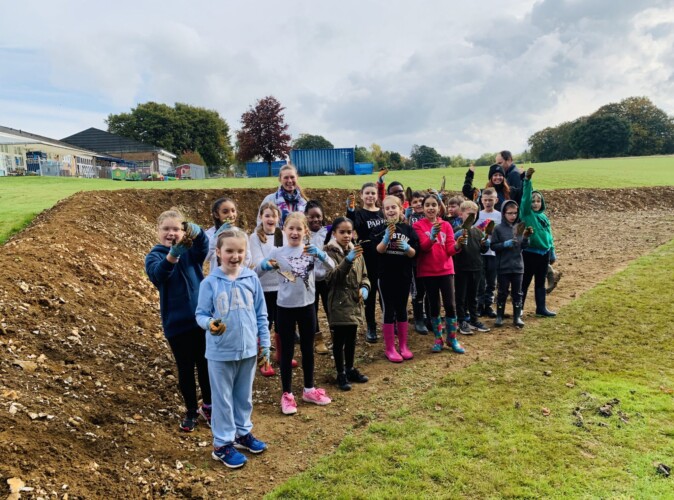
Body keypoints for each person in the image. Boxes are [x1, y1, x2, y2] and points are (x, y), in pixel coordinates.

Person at [195, 228, 270, 469]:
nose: (235, 256)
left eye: (240, 251)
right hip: (220, 352)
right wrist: (209, 324)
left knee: (243, 397)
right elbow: (200, 314)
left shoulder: (251, 279)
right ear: (218, 252)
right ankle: (222, 444)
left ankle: (242, 433)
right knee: (223, 400)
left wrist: (265, 344)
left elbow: (261, 314)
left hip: (248, 350)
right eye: (229, 251)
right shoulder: (209, 283)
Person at [257, 212, 335, 415]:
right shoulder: (277, 252)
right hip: (284, 308)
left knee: (308, 349)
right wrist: (263, 265)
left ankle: (309, 389)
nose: (294, 232)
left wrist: (321, 255)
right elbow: (257, 272)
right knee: (287, 352)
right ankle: (287, 394)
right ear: (284, 230)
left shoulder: (310, 250)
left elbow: (332, 267)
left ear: (305, 231)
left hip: (307, 307)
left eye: (299, 229)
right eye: (291, 228)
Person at [144, 209, 211, 432]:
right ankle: (191, 411)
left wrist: (198, 232)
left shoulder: (191, 252)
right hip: (176, 325)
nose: (171, 233)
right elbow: (158, 275)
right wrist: (172, 255)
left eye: (176, 229)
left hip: (201, 320)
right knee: (185, 369)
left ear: (183, 232)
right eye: (166, 229)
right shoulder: (154, 256)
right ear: (157, 231)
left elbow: (204, 246)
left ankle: (208, 406)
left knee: (205, 365)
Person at [413, 194, 468, 354]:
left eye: (434, 205)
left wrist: (458, 245)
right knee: (434, 305)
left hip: (446, 270)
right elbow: (423, 247)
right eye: (427, 205)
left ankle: (452, 338)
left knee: (450, 304)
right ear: (423, 208)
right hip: (428, 271)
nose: (430, 208)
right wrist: (431, 237)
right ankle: (438, 339)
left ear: (439, 208)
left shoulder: (446, 225)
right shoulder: (418, 226)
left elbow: (450, 249)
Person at [249, 202, 298, 377]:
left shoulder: (282, 235)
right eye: (267, 215)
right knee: (264, 324)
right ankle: (264, 360)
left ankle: (282, 355)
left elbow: (289, 257)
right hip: (263, 288)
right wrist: (269, 263)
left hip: (282, 287)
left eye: (274, 216)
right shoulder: (255, 238)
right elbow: (257, 263)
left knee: (282, 324)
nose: (270, 219)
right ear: (261, 217)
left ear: (279, 218)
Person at [324, 217, 370, 390]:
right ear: (334, 233)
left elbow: (364, 275)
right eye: (342, 232)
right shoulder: (329, 253)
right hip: (338, 304)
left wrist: (365, 287)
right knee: (339, 340)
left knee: (351, 338)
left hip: (354, 302)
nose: (346, 235)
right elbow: (332, 278)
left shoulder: (357, 252)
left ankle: (350, 368)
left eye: (349, 232)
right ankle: (340, 372)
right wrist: (347, 261)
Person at [375, 196, 419, 362]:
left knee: (402, 308)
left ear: (401, 209)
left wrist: (407, 248)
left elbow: (415, 253)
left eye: (394, 207)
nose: (391, 210)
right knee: (389, 309)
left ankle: (403, 346)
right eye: (387, 208)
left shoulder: (408, 229)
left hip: (404, 276)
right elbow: (378, 250)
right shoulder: (380, 229)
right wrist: (386, 238)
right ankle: (390, 348)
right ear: (383, 212)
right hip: (386, 276)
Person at [346, 182, 386, 343]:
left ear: (377, 196)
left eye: (373, 193)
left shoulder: (383, 213)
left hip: (384, 257)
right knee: (370, 293)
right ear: (361, 195)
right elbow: (351, 225)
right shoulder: (359, 214)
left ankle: (389, 322)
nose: (370, 196)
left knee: (385, 293)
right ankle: (371, 326)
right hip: (368, 258)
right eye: (367, 193)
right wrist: (350, 211)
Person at [518, 168, 557, 317]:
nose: (535, 204)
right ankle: (519, 309)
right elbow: (525, 198)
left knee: (540, 282)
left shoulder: (544, 217)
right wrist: (527, 181)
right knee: (525, 282)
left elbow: (549, 235)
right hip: (529, 253)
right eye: (533, 201)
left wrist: (552, 251)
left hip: (544, 254)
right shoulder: (527, 214)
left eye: (538, 201)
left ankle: (541, 308)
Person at [490, 200, 531, 328]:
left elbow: (524, 246)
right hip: (503, 266)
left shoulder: (520, 227)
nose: (513, 216)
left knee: (517, 292)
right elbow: (493, 246)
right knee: (502, 292)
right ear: (504, 213)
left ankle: (517, 316)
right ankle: (500, 316)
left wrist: (526, 237)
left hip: (518, 266)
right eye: (510, 213)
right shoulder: (498, 229)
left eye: (515, 213)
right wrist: (505, 244)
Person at [453, 201, 491, 334]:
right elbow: (453, 248)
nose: (472, 217)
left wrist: (485, 244)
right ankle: (461, 320)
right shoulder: (457, 231)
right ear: (461, 214)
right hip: (461, 268)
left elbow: (482, 250)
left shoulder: (478, 232)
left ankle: (474, 320)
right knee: (460, 296)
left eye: (474, 214)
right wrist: (457, 238)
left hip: (477, 267)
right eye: (469, 214)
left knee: (473, 296)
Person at [305, 200, 331, 355]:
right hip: (310, 280)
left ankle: (335, 334)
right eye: (311, 217)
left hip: (327, 278)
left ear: (323, 216)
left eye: (318, 216)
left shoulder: (328, 232)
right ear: (305, 217)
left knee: (330, 308)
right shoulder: (303, 234)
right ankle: (318, 339)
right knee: (312, 311)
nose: (315, 219)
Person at [205, 197, 251, 274]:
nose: (231, 215)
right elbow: (207, 256)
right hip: (217, 276)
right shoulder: (210, 234)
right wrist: (216, 236)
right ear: (216, 214)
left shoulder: (241, 234)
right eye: (225, 212)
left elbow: (248, 259)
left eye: (233, 211)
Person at [475, 187, 501, 318]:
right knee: (480, 281)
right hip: (480, 253)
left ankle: (489, 305)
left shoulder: (499, 216)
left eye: (490, 200)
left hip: (494, 253)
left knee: (491, 281)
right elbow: (474, 231)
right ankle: (479, 305)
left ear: (496, 200)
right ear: (481, 200)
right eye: (485, 200)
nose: (488, 202)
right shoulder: (478, 215)